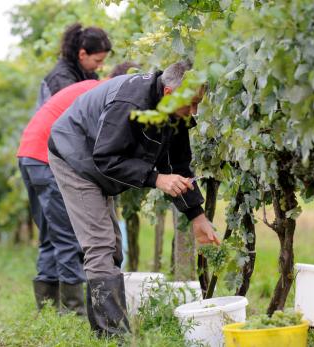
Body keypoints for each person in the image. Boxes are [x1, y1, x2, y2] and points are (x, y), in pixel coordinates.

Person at [47, 61, 221, 336]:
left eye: (198, 103)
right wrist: (156, 179)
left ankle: (102, 331)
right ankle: (113, 336)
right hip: (75, 159)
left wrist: (197, 217)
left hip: (97, 161)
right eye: (191, 103)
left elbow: (179, 165)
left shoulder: (175, 112)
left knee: (113, 247)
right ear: (168, 94)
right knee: (100, 246)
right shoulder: (130, 103)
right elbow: (105, 157)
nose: (194, 111)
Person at [18, 63, 138, 316]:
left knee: (51, 235)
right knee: (71, 235)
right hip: (48, 157)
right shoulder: (107, 94)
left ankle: (49, 310)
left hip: (28, 154)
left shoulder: (87, 88)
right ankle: (73, 312)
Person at [34, 23, 111, 110]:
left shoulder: (86, 73)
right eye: (97, 61)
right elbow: (74, 110)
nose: (101, 66)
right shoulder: (61, 77)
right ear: (82, 54)